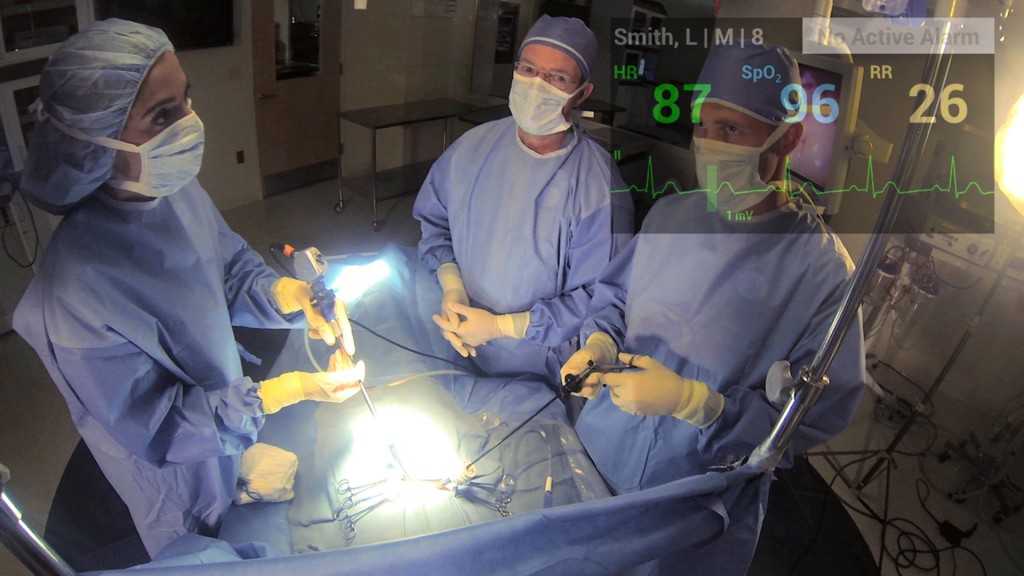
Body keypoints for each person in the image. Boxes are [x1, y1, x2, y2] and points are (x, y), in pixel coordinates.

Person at [13, 19, 363, 557]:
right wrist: (285, 391)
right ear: (92, 142)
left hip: (226, 429)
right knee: (203, 548)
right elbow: (161, 431)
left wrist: (285, 298)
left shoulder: (172, 194)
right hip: (174, 483)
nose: (190, 124)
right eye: (162, 115)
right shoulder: (71, 294)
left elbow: (227, 268)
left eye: (186, 100)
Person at [561, 44, 865, 574]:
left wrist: (699, 406)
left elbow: (810, 417)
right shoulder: (672, 216)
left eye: (731, 131)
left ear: (788, 138)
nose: (708, 145)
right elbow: (615, 299)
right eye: (703, 126)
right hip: (598, 449)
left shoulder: (822, 273)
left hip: (695, 498)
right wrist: (598, 344)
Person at [414, 15, 634, 380]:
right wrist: (452, 286)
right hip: (454, 336)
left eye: (557, 78)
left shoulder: (599, 187)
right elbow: (435, 223)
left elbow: (601, 297)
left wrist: (504, 327)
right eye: (529, 69)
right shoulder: (472, 148)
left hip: (535, 364)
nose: (537, 86)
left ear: (581, 94)